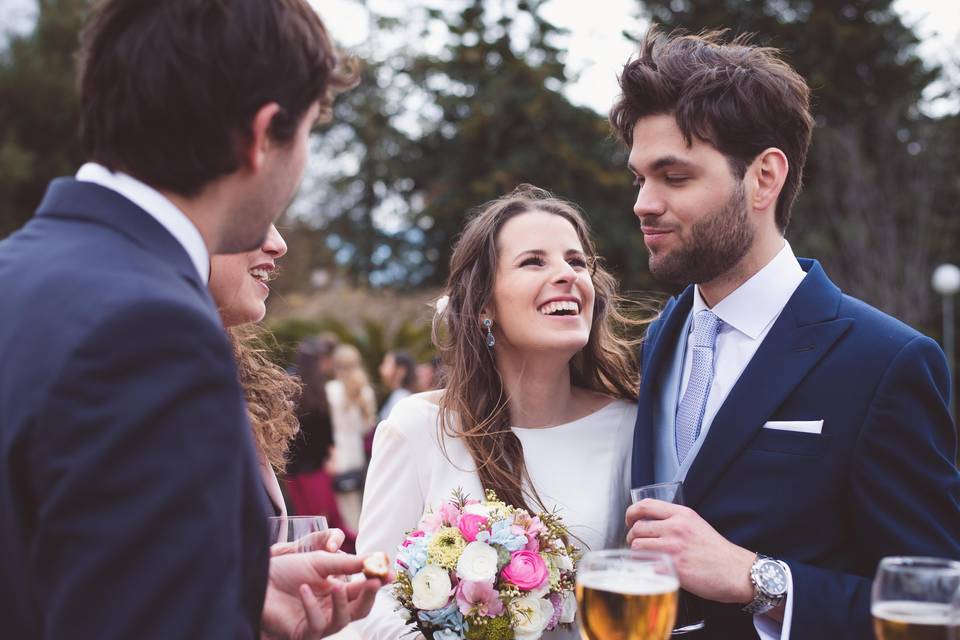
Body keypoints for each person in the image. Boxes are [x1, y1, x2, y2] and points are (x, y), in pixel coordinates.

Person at [0, 1, 383, 638]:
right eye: (310, 133)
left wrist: (239, 588)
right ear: (263, 137)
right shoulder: (152, 330)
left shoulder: (17, 271)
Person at [612, 28, 960, 639]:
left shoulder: (886, 362)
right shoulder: (659, 337)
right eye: (639, 178)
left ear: (765, 177)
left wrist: (760, 579)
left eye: (674, 176)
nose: (644, 202)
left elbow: (941, 602)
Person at [351, 185, 645, 639]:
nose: (567, 274)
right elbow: (372, 602)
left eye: (577, 261)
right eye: (534, 261)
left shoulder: (629, 427)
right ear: (485, 303)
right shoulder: (418, 428)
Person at [327, 343, 378, 531]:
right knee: (361, 502)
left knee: (345, 506)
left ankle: (353, 542)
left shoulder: (331, 390)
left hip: (338, 453)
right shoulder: (366, 391)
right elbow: (368, 426)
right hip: (357, 453)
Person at [377, 349, 417, 420]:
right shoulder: (398, 395)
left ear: (401, 371)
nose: (381, 368)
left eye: (387, 363)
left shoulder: (401, 398)